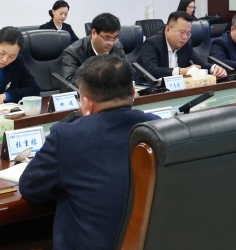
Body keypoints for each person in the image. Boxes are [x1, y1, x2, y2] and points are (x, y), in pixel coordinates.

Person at [20, 55, 159, 250]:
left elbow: (31, 188)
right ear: (133, 92)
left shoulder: (67, 136)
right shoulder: (159, 127)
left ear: (87, 103)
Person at [139, 11, 226, 79]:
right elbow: (151, 70)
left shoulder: (186, 44)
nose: (185, 37)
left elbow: (199, 64)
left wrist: (214, 68)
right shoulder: (152, 44)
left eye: (188, 33)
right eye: (182, 32)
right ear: (168, 30)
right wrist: (181, 71)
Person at [61, 12, 130, 86]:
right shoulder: (73, 52)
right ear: (94, 33)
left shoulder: (117, 46)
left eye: (115, 38)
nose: (111, 43)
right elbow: (71, 81)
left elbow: (129, 71)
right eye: (107, 38)